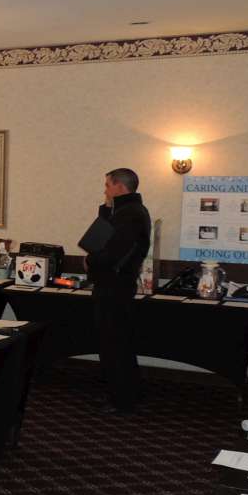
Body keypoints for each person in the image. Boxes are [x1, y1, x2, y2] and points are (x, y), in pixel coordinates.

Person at [86, 167, 151, 414]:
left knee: (114, 345)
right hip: (114, 286)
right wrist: (106, 208)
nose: (105, 190)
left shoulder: (131, 214)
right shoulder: (125, 211)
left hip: (114, 287)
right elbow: (98, 239)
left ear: (120, 187)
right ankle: (126, 393)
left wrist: (90, 261)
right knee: (115, 342)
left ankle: (121, 399)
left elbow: (113, 253)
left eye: (108, 185)